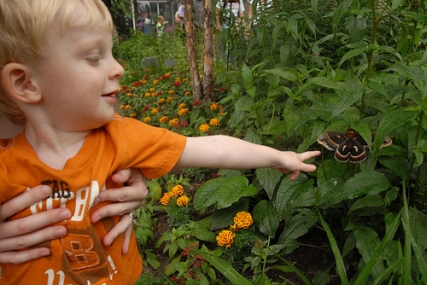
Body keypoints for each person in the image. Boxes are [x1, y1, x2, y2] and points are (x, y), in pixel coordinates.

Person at [0, 1, 320, 284]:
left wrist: (278, 156)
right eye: (94, 57)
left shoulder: (120, 137)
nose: (119, 68)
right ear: (26, 83)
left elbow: (210, 147)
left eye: (112, 52)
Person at [0, 116, 149, 264]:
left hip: (112, 262)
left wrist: (130, 175)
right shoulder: (7, 161)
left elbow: (167, 150)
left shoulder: (104, 126)